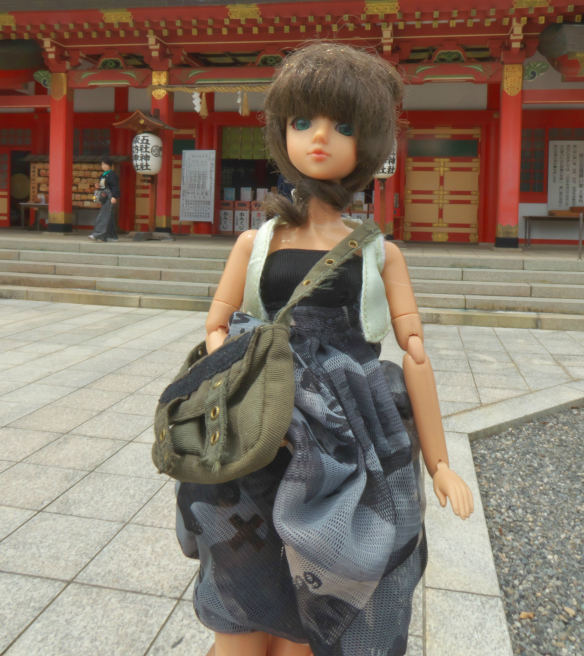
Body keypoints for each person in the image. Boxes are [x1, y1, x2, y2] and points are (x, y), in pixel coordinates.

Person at [175, 42, 473, 656]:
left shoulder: (380, 252)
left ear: (369, 143)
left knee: (324, 580)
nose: (319, 137)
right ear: (280, 130)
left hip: (349, 428)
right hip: (263, 419)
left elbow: (414, 353)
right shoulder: (256, 243)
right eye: (302, 120)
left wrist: (440, 462)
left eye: (343, 126)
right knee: (240, 583)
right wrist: (237, 385)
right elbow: (216, 324)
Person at [89, 156, 120, 241]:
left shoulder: (112, 174)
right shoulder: (103, 175)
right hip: (104, 196)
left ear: (110, 165)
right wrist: (98, 186)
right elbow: (103, 186)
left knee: (103, 215)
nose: (103, 166)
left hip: (110, 196)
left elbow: (115, 186)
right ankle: (112, 236)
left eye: (105, 164)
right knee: (108, 216)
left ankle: (98, 234)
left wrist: (114, 196)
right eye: (102, 164)